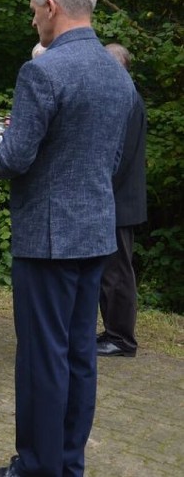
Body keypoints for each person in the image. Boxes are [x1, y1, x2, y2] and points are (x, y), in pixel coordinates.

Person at [0, 0, 137, 476]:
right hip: (95, 234)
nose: (33, 24)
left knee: (42, 359)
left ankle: (35, 468)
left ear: (51, 7)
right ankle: (67, 465)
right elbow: (108, 158)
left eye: (33, 13)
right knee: (79, 356)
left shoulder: (42, 70)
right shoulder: (116, 72)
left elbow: (17, 156)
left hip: (47, 238)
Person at [97, 43, 147, 357]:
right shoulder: (128, 97)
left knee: (117, 271)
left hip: (118, 200)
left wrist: (98, 187)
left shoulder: (126, 100)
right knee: (111, 270)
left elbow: (120, 157)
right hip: (118, 198)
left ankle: (122, 338)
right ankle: (114, 332)